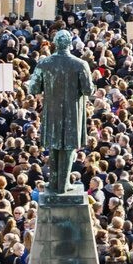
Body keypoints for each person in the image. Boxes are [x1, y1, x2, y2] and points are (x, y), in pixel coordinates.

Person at [28, 28, 95, 193]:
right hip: (72, 112)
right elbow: (88, 91)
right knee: (68, 147)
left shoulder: (44, 64)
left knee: (54, 146)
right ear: (70, 45)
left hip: (52, 112)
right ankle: (62, 184)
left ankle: (55, 182)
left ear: (55, 44)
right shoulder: (80, 64)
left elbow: (33, 87)